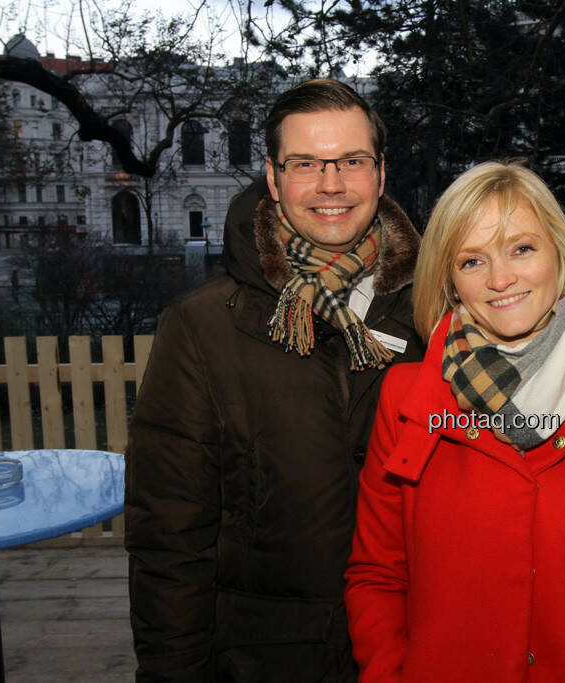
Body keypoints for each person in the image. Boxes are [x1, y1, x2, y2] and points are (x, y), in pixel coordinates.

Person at [345, 161, 565, 682]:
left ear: (559, 252)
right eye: (472, 261)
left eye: (522, 249)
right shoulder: (406, 396)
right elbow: (376, 576)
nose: (501, 279)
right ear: (450, 279)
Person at [125, 79, 423, 682]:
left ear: (381, 173)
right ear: (272, 176)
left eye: (352, 161)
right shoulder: (203, 328)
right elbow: (171, 541)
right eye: (306, 163)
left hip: (419, 648)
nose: (331, 184)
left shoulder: (435, 314)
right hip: (264, 658)